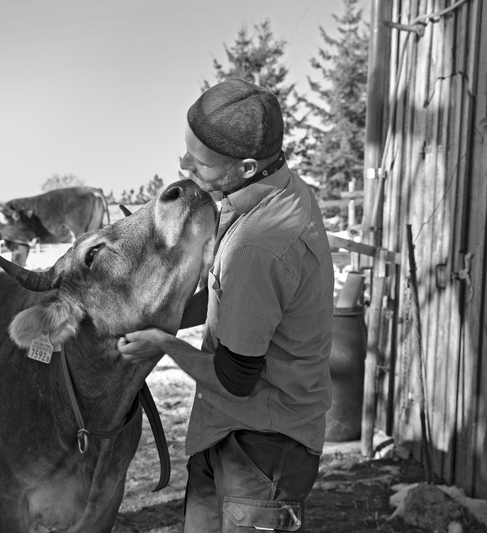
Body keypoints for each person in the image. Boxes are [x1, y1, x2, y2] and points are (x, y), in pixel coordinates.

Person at [117, 78, 334, 532]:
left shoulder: (260, 245)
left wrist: (162, 342)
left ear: (247, 165)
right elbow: (227, 298)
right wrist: (162, 314)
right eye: (186, 149)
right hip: (228, 427)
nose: (183, 165)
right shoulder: (269, 191)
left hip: (264, 447)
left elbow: (235, 378)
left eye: (198, 161)